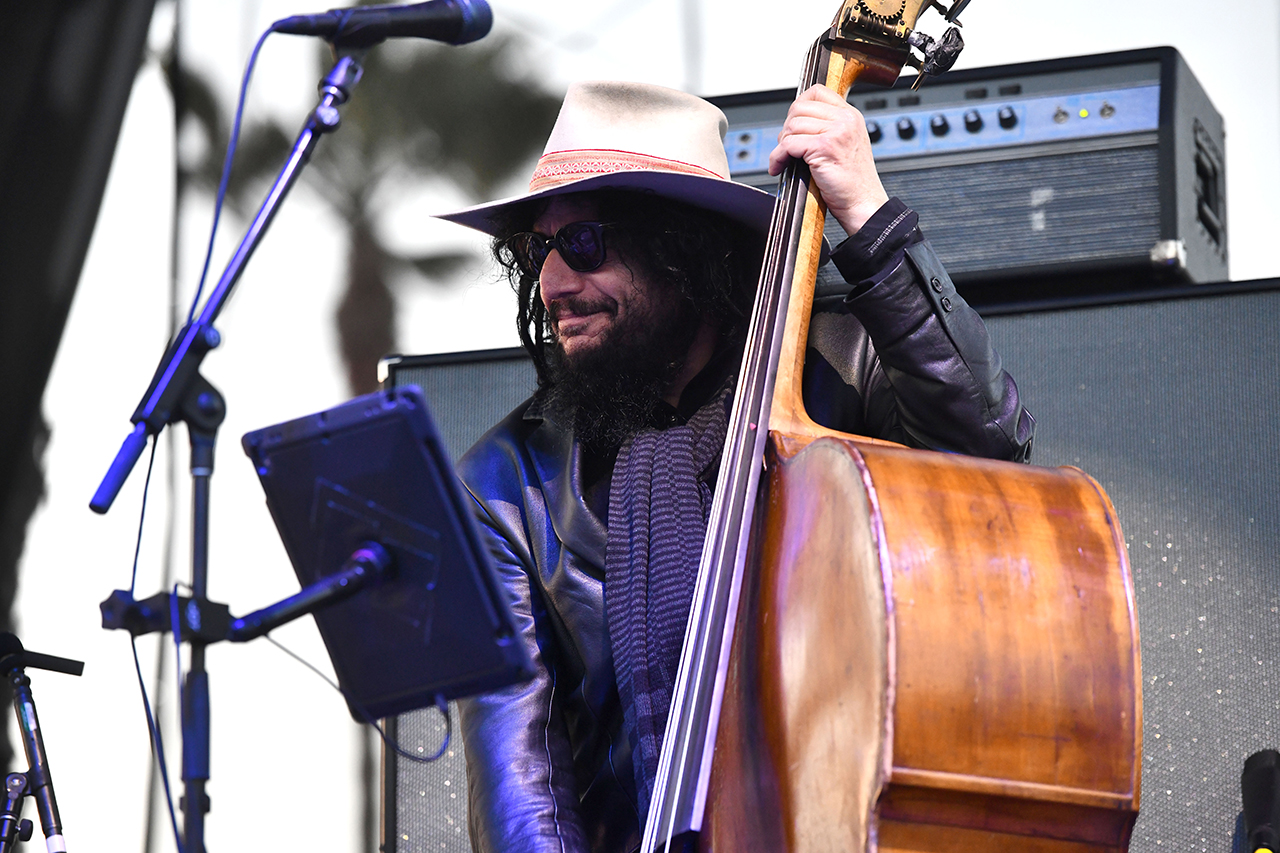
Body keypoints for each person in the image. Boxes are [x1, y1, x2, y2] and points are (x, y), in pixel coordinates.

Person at [437, 80, 1034, 853]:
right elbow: (520, 771)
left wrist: (874, 222)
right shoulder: (504, 481)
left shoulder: (846, 368)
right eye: (537, 249)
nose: (551, 284)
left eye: (583, 243)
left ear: (679, 246)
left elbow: (990, 464)